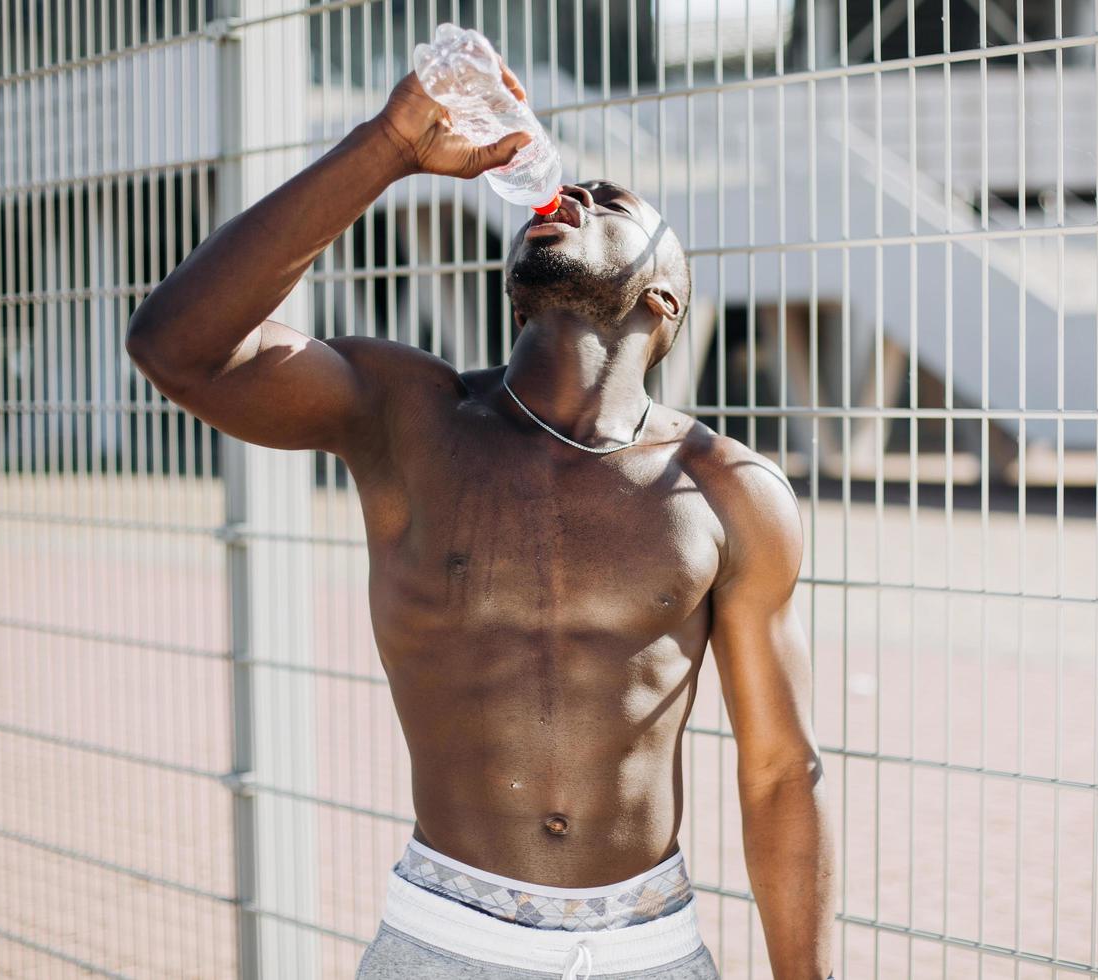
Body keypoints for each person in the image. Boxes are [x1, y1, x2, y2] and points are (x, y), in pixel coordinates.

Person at [125, 53, 836, 980]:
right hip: (445, 942)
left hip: (648, 950)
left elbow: (781, 772)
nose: (571, 195)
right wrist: (386, 148)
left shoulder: (728, 489)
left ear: (664, 297)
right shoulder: (409, 416)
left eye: (609, 202)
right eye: (568, 190)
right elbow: (176, 347)